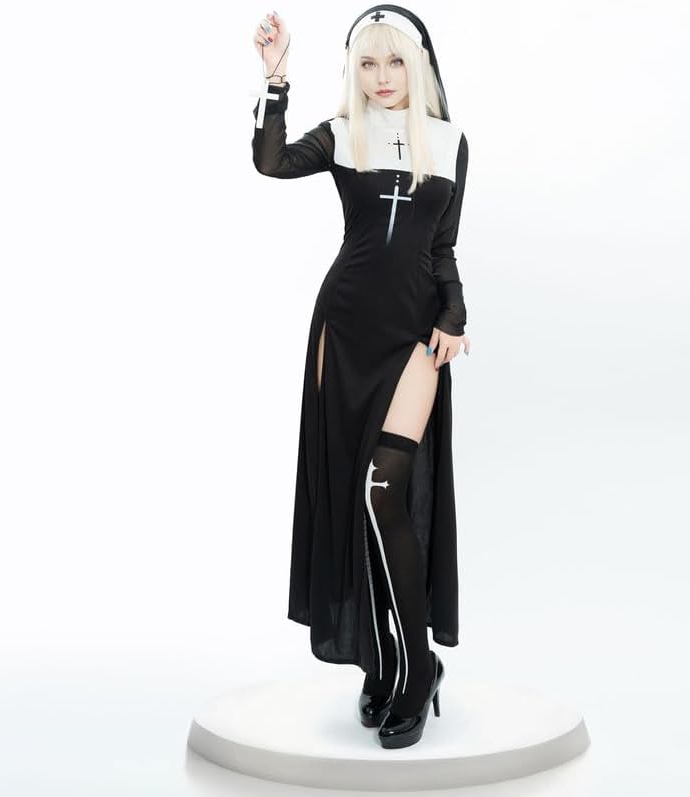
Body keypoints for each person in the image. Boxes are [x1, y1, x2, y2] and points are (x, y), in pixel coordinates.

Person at [250, 4, 470, 749]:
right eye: (367, 64)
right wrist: (276, 79)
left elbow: (443, 247)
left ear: (419, 67)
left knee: (385, 489)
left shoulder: (449, 141)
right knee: (352, 491)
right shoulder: (343, 133)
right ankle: (381, 661)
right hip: (343, 329)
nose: (381, 77)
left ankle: (419, 668)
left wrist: (455, 314)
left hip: (413, 338)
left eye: (395, 61)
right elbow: (271, 162)